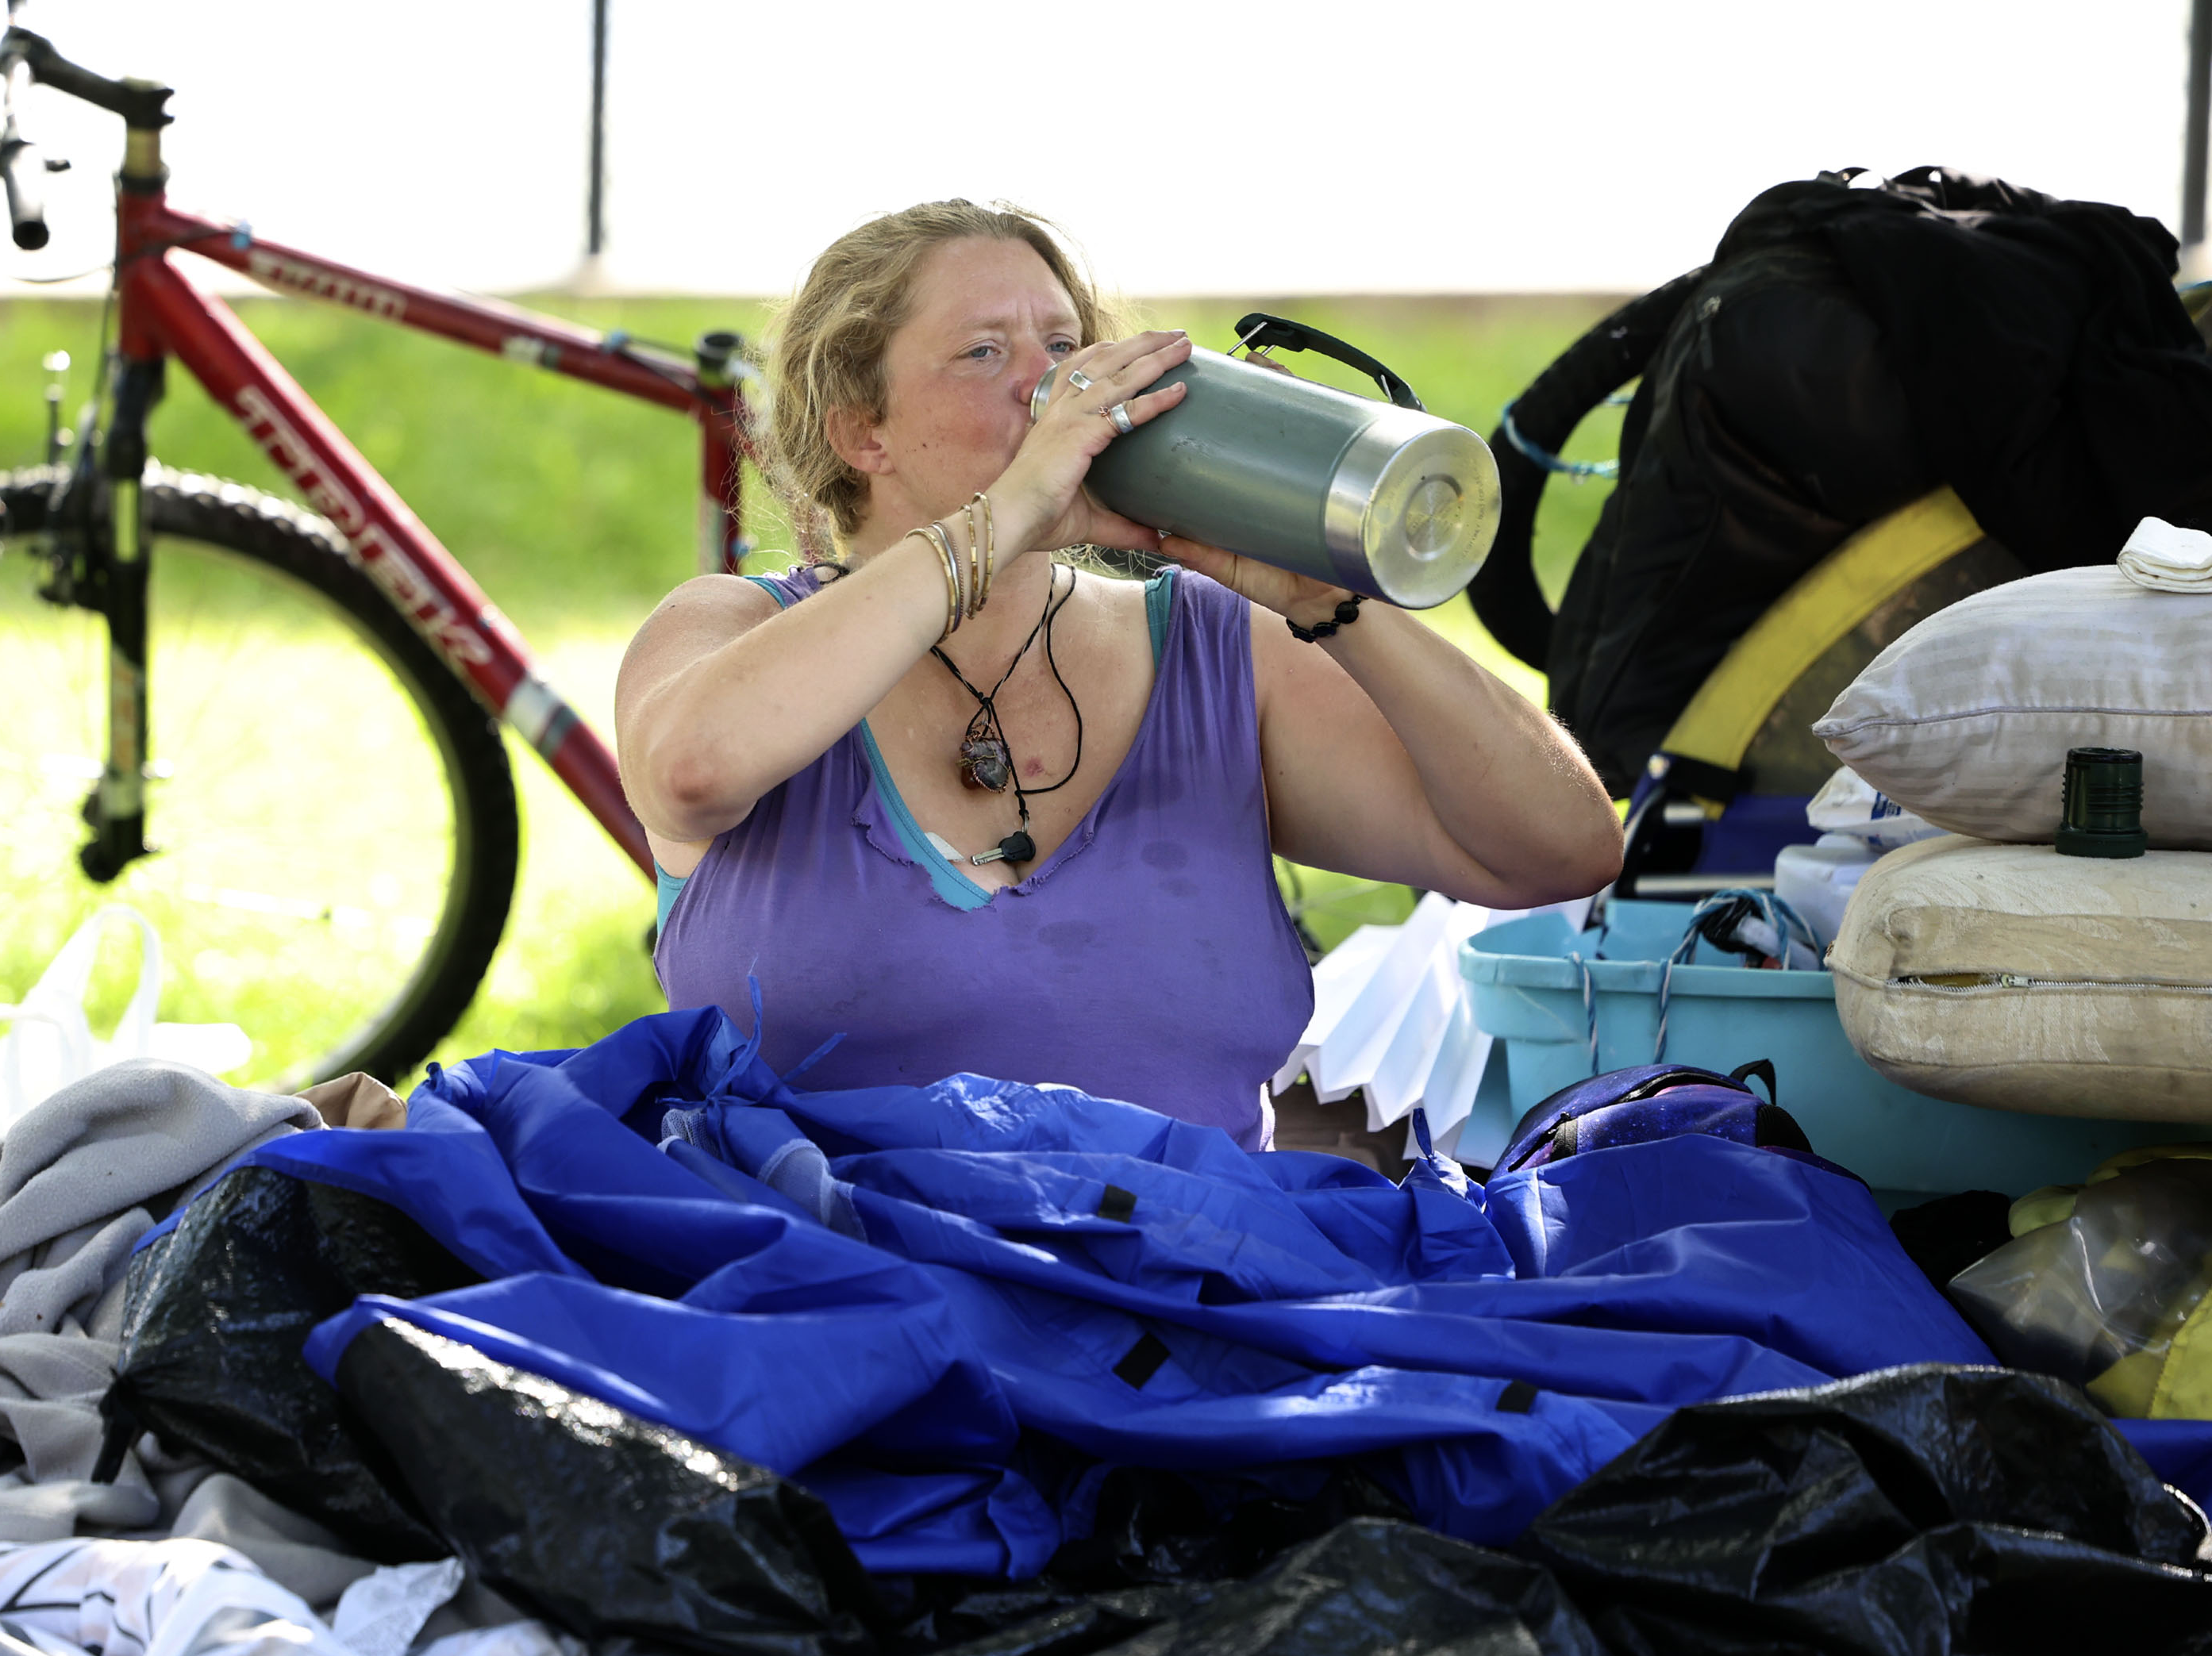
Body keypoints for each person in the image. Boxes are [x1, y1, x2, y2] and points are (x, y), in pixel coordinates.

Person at [614, 201, 1621, 1149]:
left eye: (1064, 349)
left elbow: (1557, 850)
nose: (1049, 388)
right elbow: (693, 769)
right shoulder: (728, 626)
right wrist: (1005, 513)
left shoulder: (1217, 646)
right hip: (836, 1292)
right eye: (982, 352)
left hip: (1187, 1295)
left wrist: (1335, 606)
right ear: (859, 431)